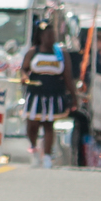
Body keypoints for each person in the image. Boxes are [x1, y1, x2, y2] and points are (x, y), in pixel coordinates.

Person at [21, 19, 76, 169]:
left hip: (54, 93)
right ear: (41, 36)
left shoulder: (61, 53)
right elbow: (24, 69)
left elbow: (68, 77)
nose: (51, 38)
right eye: (48, 35)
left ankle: (46, 156)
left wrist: (74, 98)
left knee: (48, 125)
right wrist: (24, 77)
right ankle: (33, 148)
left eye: (53, 34)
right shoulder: (33, 52)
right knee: (32, 124)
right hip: (35, 93)